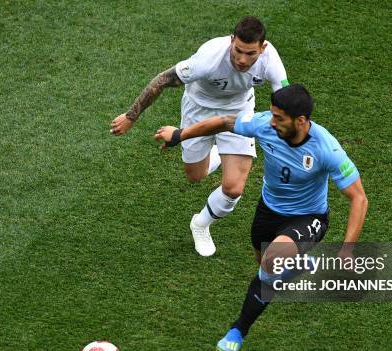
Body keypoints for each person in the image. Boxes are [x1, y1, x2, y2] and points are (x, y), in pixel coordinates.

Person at [155, 84, 368, 351]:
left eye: (279, 118)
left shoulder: (327, 150)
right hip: (268, 212)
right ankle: (297, 263)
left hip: (308, 217)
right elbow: (223, 122)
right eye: (271, 114)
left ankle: (238, 330)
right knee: (266, 269)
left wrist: (347, 249)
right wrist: (180, 134)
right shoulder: (265, 125)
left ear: (301, 121)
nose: (272, 121)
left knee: (271, 262)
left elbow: (359, 198)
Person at [110, 16, 289, 257]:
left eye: (250, 54)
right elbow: (162, 80)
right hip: (198, 109)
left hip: (239, 112)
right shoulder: (209, 59)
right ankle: (218, 154)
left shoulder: (270, 60)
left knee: (234, 188)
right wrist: (131, 116)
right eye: (238, 51)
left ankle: (201, 223)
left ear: (262, 48)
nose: (242, 59)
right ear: (231, 41)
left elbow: (285, 99)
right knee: (195, 175)